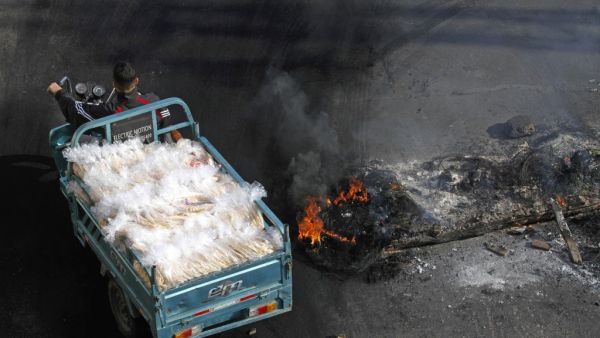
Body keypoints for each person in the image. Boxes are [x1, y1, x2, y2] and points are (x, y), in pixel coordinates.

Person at [47, 61, 181, 141]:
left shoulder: (109, 110)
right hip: (149, 152)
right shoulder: (154, 101)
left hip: (122, 158)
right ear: (136, 80)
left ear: (114, 84)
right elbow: (167, 123)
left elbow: (77, 110)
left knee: (78, 140)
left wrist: (58, 92)